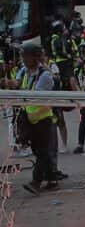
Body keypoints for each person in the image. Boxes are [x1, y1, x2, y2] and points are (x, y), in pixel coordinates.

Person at [7, 40, 58, 193]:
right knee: (39, 150)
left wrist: (19, 90)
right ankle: (52, 178)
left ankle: (36, 182)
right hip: (29, 118)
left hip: (43, 118)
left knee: (42, 151)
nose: (22, 59)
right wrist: (10, 84)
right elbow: (18, 84)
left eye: (25, 56)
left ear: (34, 57)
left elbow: (34, 96)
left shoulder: (45, 76)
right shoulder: (24, 70)